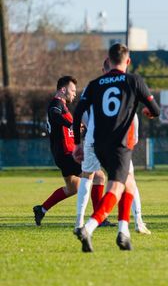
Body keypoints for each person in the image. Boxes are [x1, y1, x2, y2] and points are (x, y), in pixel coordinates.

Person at [72, 43, 160, 252]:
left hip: (98, 144)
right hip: (120, 144)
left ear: (109, 61)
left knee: (128, 183)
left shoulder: (94, 84)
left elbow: (77, 113)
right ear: (128, 61)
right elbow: (155, 110)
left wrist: (77, 143)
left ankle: (123, 232)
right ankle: (88, 228)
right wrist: (148, 113)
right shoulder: (134, 80)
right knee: (116, 188)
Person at [33, 76, 81, 226]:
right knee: (98, 176)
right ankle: (100, 218)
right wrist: (71, 125)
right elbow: (54, 114)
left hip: (63, 154)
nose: (74, 94)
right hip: (67, 154)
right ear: (63, 89)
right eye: (73, 90)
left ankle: (41, 209)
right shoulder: (56, 103)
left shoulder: (63, 106)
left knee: (73, 188)